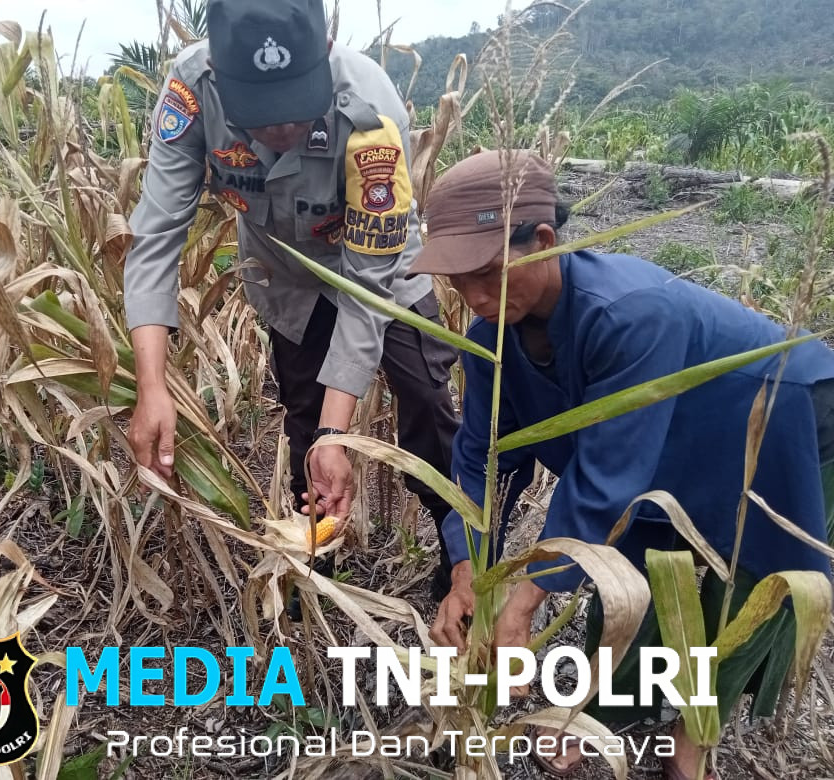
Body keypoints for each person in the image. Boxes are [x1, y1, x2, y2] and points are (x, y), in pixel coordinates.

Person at [416, 149, 834, 779]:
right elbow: (481, 458)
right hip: (665, 438)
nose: (473, 296)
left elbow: (606, 477)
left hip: (778, 416)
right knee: (629, 569)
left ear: (545, 241)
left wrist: (525, 600)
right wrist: (465, 569)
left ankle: (694, 742)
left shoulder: (628, 313)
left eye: (488, 273)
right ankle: (608, 714)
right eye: (456, 281)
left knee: (742, 582)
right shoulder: (489, 343)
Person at [122, 0, 460, 593]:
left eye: (295, 113)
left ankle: (460, 556)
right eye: (260, 116)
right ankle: (315, 570)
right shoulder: (193, 91)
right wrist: (151, 386)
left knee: (427, 406)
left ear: (325, 54)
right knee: (307, 425)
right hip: (286, 274)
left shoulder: (370, 109)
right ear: (222, 77)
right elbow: (154, 241)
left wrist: (342, 433)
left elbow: (364, 287)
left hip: (382, 273)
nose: (280, 133)